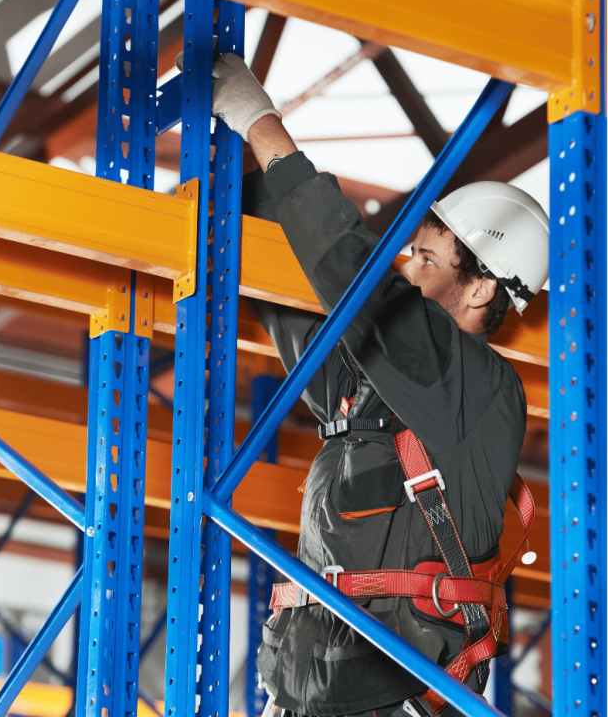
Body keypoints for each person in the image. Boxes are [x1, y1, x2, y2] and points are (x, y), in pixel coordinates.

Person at [179, 52, 549, 717]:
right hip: (305, 689)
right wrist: (242, 166)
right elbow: (302, 302)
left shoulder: (474, 385)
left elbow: (357, 280)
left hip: (392, 694)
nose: (406, 269)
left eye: (426, 259)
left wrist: (261, 125)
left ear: (481, 287)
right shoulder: (362, 393)